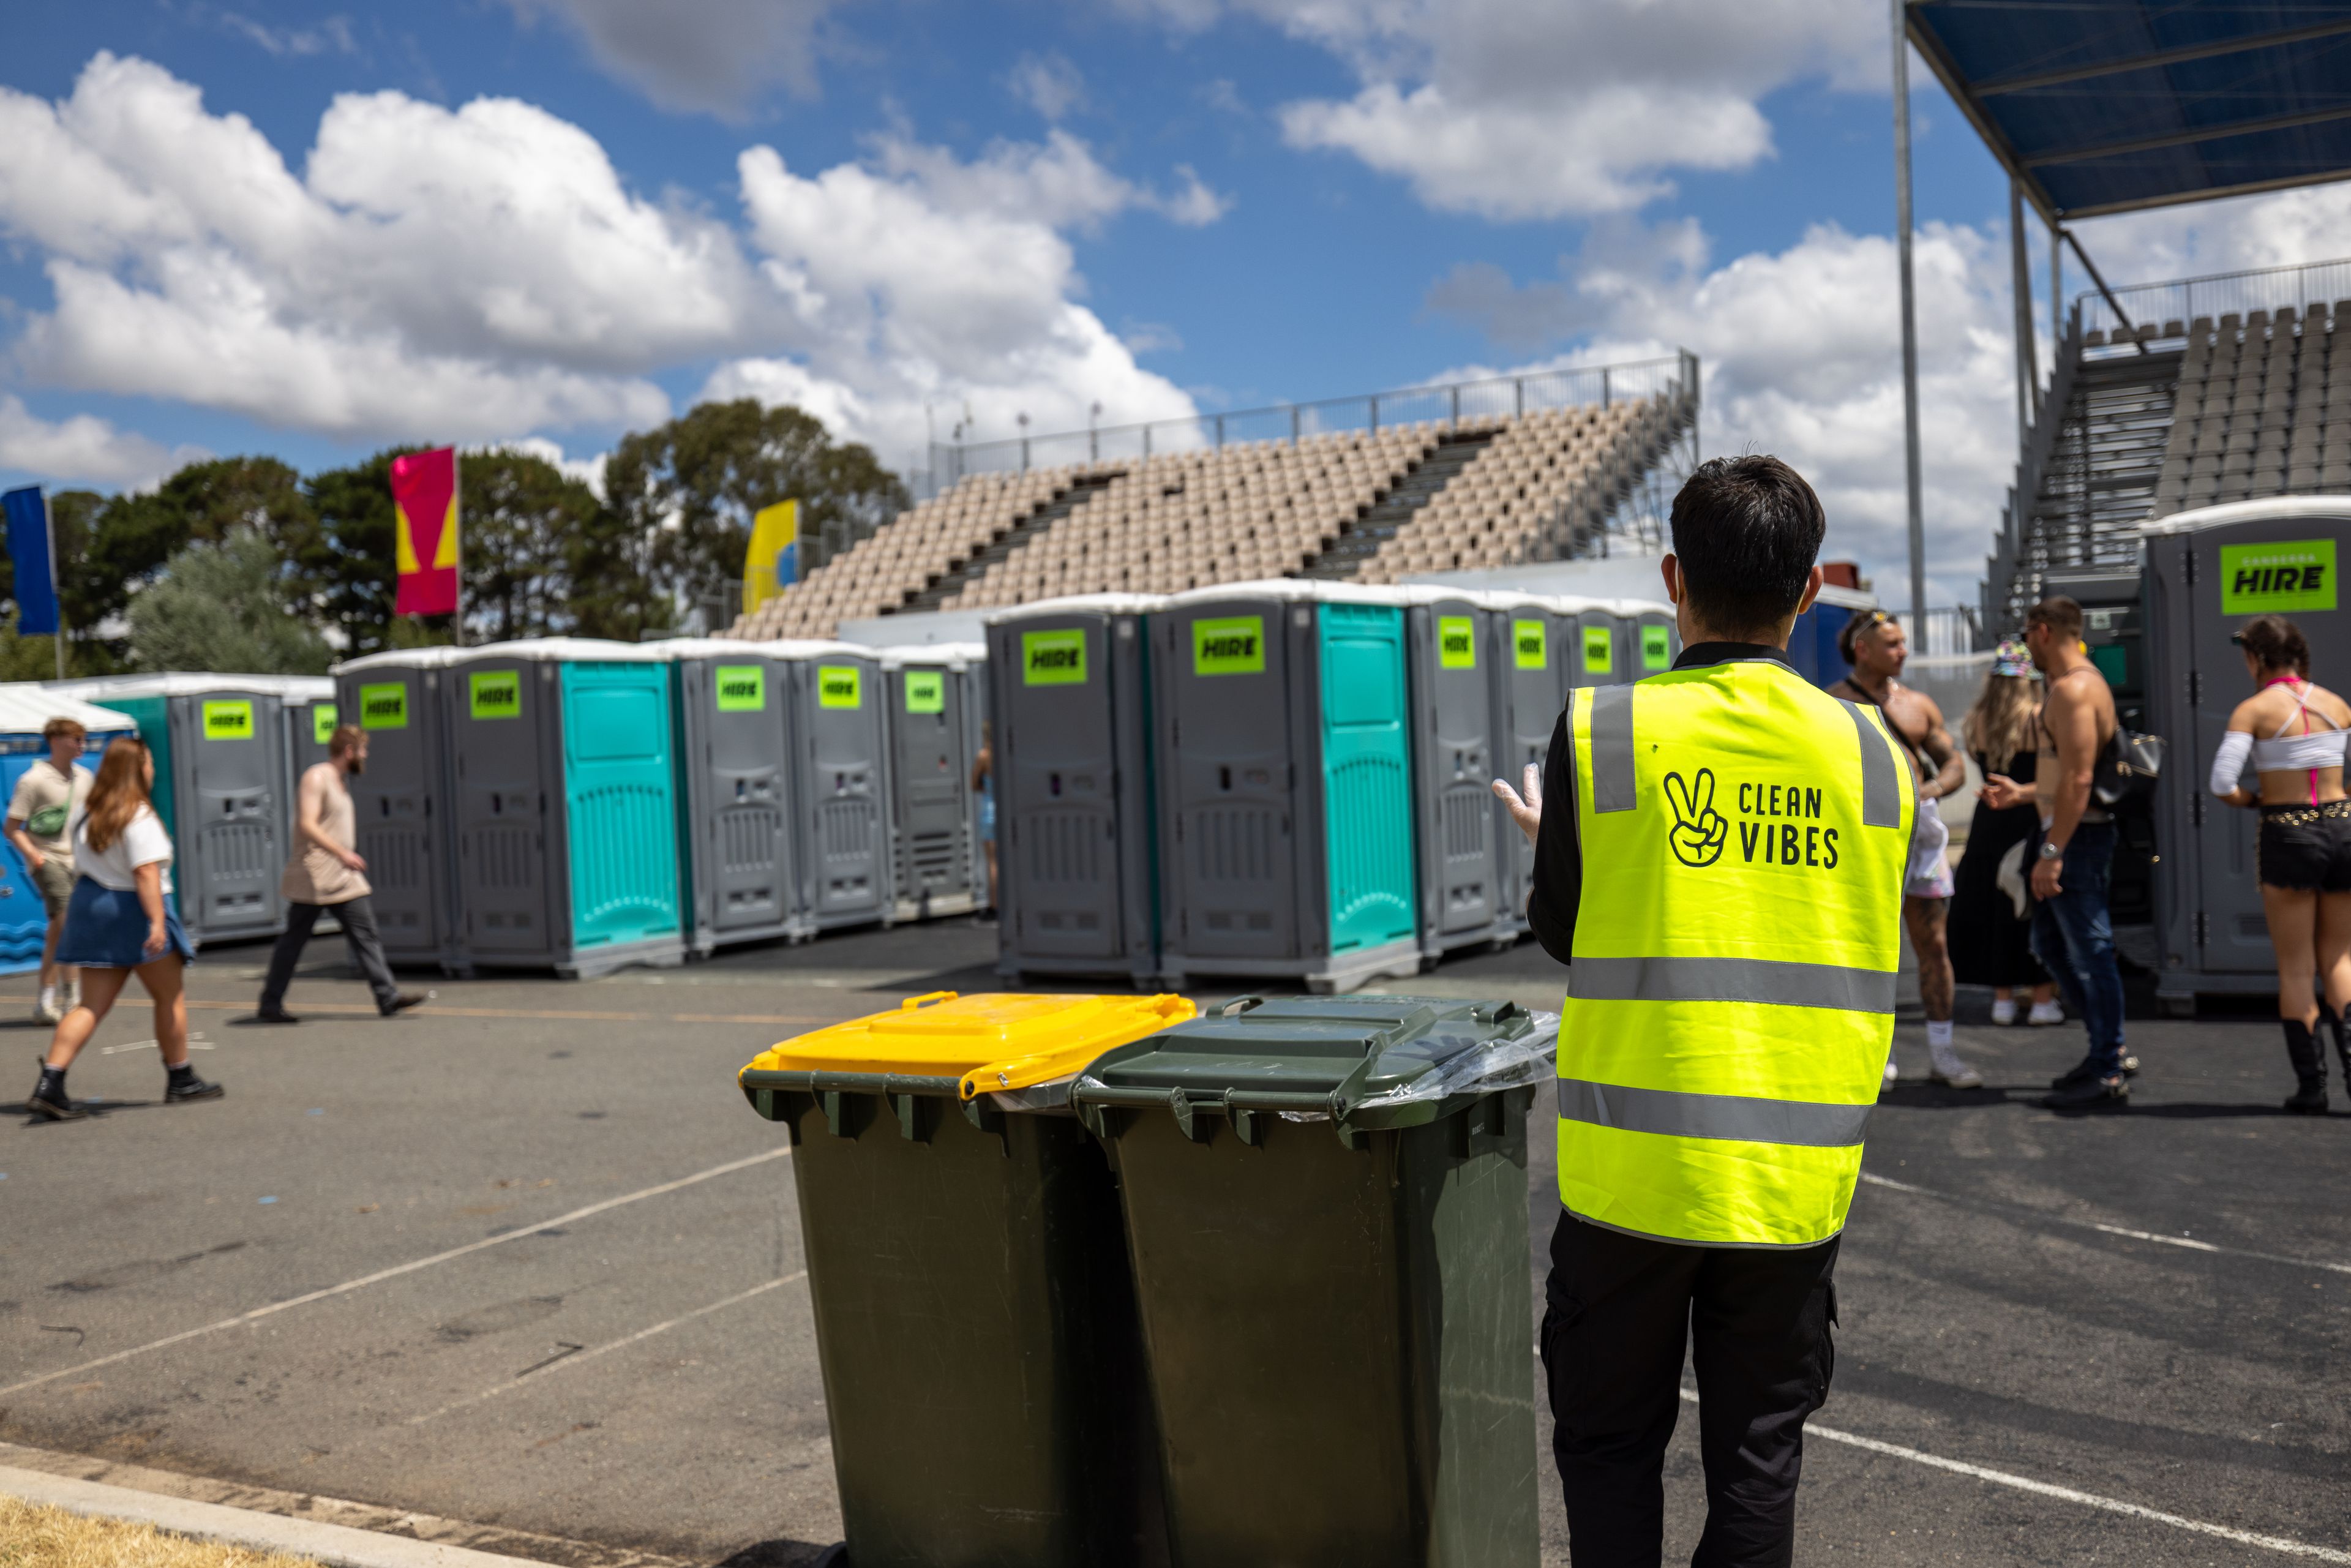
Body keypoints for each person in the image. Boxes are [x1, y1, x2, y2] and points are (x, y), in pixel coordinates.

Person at [1492, 454, 1910, 1566]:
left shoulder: (1603, 728)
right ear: (1811, 590)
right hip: (1791, 1182)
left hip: (1633, 1180)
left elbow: (1569, 930)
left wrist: (1570, 855)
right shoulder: (1876, 752)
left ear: (1670, 576)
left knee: (1610, 1447)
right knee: (1759, 1464)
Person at [1981, 596, 2129, 1107]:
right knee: (2050, 946)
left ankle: (2109, 1064)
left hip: (2073, 839)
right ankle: (2104, 1050)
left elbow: (2081, 777)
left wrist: (2052, 850)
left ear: (2044, 631)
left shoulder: (2074, 688)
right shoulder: (2066, 688)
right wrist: (2022, 795)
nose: (2024, 645)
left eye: (2026, 634)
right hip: (2063, 833)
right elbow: (2064, 771)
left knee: (2091, 950)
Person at [26, 737, 219, 1120]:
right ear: (137, 769)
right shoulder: (139, 815)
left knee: (90, 1006)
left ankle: (51, 1081)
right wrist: (158, 922)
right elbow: (145, 872)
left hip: (92, 905)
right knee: (169, 996)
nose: (153, 770)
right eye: (149, 763)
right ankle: (181, 1077)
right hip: (134, 908)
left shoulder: (86, 810)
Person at [1830, 610, 1983, 1089]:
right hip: (1861, 843)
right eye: (1893, 643)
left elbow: (1953, 763)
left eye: (1903, 641)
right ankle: (1880, 1057)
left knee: (1934, 946)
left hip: (1921, 840)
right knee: (1868, 950)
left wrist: (1930, 791)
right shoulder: (1831, 704)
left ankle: (1943, 1053)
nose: (1904, 651)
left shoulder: (1918, 704)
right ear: (1863, 649)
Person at [2204, 614, 2351, 1112]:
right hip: (2343, 827)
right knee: (2341, 959)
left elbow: (2222, 782)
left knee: (2295, 967)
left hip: (2288, 832)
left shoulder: (2254, 709)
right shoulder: (2337, 704)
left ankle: (2313, 1089)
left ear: (2256, 658)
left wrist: (2255, 801)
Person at [255, 726, 429, 1024]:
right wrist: (343, 852)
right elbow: (307, 824)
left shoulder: (340, 780)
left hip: (343, 877)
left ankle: (387, 997)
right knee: (294, 941)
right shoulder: (317, 777)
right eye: (362, 749)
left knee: (366, 933)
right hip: (315, 874)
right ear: (349, 750)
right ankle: (270, 1004)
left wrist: (343, 858)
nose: (365, 755)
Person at [1949, 641, 2061, 1027]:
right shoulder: (2038, 717)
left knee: (1995, 908)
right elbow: (2052, 779)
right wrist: (2026, 793)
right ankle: (2043, 1001)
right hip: (2026, 820)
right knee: (2030, 908)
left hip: (1988, 822)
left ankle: (2002, 1000)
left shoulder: (1975, 719)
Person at [6, 717, 92, 1024]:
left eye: (84, 740)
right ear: (56, 741)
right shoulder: (33, 780)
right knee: (67, 923)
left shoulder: (84, 778)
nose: (82, 745)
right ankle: (72, 997)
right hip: (48, 860)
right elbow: (12, 827)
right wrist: (33, 855)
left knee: (61, 931)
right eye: (76, 740)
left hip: (79, 862)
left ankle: (46, 1002)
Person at [970, 721, 997, 925]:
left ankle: (993, 906)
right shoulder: (1007, 752)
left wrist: (986, 788)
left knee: (992, 862)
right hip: (1006, 812)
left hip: (990, 811)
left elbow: (974, 784)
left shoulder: (984, 756)